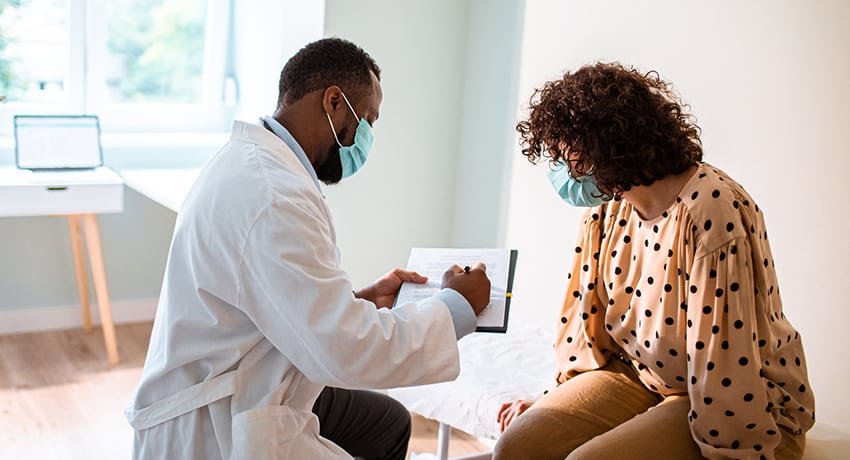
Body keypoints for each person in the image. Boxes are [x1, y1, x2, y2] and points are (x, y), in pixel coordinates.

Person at [125, 38, 492, 460]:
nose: (368, 138)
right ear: (335, 102)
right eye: (369, 120)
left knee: (387, 422)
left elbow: (274, 300)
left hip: (253, 374)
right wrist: (455, 306)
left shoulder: (254, 163)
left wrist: (360, 302)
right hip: (217, 421)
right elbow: (346, 352)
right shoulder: (273, 196)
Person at [493, 62, 814, 460]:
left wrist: (736, 452)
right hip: (638, 377)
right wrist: (554, 404)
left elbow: (724, 357)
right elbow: (585, 327)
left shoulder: (710, 211)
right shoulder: (606, 211)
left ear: (607, 144)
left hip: (725, 395)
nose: (560, 169)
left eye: (565, 153)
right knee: (517, 447)